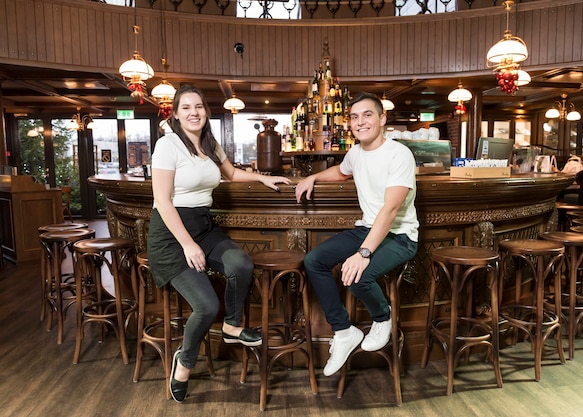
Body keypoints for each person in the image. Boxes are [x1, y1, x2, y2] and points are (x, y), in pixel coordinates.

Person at [147, 85, 291, 403]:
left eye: (198, 106)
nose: (194, 112)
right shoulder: (167, 145)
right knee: (207, 305)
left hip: (203, 226)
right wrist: (187, 245)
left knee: (241, 264)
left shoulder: (210, 143)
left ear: (206, 111)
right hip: (171, 236)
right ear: (176, 113)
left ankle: (232, 326)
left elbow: (231, 174)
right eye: (186, 107)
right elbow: (162, 200)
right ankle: (184, 362)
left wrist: (263, 178)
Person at [295, 91, 419, 377]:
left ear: (382, 119)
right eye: (354, 117)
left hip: (400, 236)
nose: (360, 122)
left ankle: (382, 317)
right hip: (367, 228)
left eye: (367, 115)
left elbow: (390, 210)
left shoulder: (399, 154)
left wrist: (364, 253)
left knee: (357, 275)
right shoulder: (356, 152)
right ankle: (343, 330)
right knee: (314, 261)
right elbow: (342, 171)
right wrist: (313, 176)